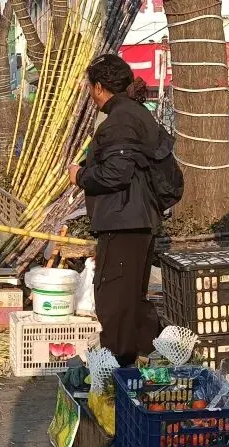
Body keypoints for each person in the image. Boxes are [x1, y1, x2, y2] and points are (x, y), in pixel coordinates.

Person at [68, 54, 166, 367]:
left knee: (114, 300)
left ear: (99, 86)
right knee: (130, 297)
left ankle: (119, 369)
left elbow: (116, 173)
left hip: (125, 220)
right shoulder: (134, 113)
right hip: (137, 217)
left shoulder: (120, 119)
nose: (89, 93)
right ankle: (142, 359)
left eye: (89, 87)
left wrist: (80, 176)